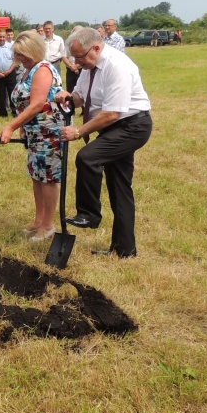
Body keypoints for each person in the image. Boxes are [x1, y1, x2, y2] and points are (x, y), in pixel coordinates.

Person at [56, 27, 153, 258]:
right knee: (120, 188)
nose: (77, 62)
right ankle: (124, 250)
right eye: (74, 57)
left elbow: (112, 113)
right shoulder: (90, 67)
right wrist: (68, 96)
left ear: (97, 47)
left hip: (132, 126)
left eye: (80, 57)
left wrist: (78, 131)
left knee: (88, 157)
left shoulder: (117, 65)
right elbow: (81, 98)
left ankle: (89, 214)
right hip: (114, 127)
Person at [0, 31, 65, 242]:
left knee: (48, 178)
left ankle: (48, 225)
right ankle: (38, 221)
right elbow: (24, 104)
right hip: (35, 132)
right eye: (18, 55)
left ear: (35, 50)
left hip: (49, 132)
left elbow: (37, 104)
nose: (21, 58)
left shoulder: (43, 69)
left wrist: (10, 126)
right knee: (37, 176)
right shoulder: (27, 71)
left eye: (24, 54)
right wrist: (23, 127)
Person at [64, 25, 84, 93]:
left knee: (82, 91)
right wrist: (71, 66)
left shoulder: (85, 43)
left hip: (82, 69)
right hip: (70, 70)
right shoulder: (68, 43)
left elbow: (84, 56)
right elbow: (64, 56)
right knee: (70, 90)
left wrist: (76, 66)